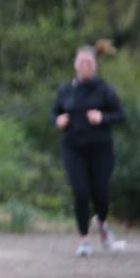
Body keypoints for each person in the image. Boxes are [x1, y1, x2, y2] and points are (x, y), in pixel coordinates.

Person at [51, 43, 126, 257]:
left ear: (95, 65)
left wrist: (103, 117)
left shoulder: (104, 89)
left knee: (101, 193)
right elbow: (54, 112)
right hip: (73, 148)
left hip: (100, 148)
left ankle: (101, 222)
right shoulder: (66, 90)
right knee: (81, 192)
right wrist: (58, 120)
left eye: (89, 62)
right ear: (75, 64)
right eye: (81, 61)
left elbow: (121, 114)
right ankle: (84, 240)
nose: (85, 65)